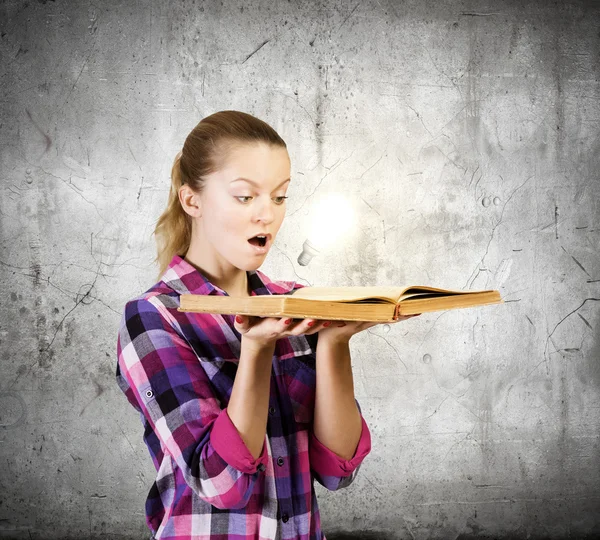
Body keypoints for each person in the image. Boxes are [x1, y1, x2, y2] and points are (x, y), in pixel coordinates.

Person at [115, 110, 419, 540]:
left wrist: (333, 342)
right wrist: (256, 350)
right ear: (192, 200)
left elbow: (336, 470)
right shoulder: (154, 317)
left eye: (279, 197)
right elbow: (221, 483)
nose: (267, 216)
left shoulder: (294, 301)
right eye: (245, 197)